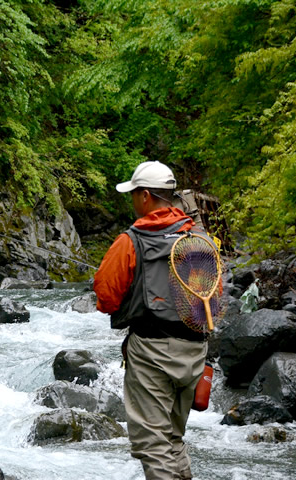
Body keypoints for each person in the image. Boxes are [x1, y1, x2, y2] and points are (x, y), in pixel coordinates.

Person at [93, 161, 208, 480]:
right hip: (195, 353)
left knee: (153, 446)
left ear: (145, 196)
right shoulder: (197, 237)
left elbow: (106, 299)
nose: (132, 201)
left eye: (133, 194)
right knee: (172, 439)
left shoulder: (129, 241)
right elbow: (212, 299)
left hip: (150, 353)